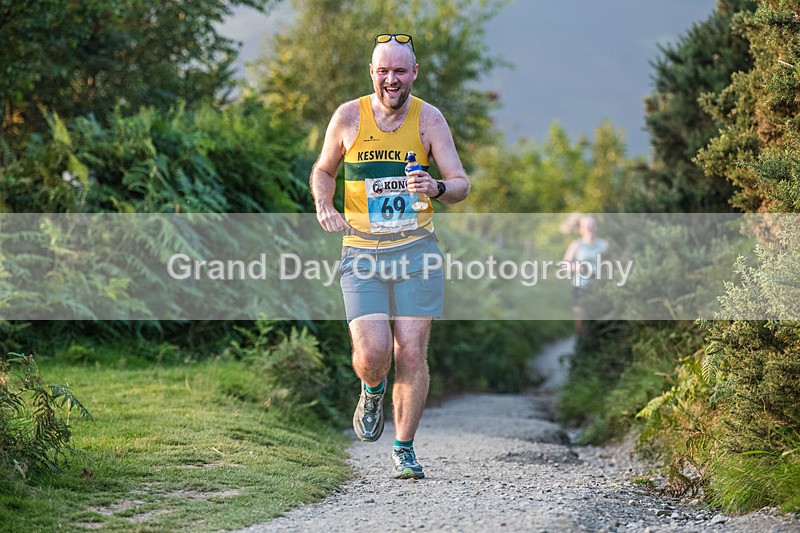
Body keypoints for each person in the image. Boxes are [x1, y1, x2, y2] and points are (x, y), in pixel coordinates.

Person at [310, 33, 470, 479]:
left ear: (414, 73)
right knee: (373, 351)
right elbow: (323, 170)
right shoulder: (347, 116)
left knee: (412, 353)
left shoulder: (429, 120)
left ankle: (404, 447)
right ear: (372, 73)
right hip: (361, 250)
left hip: (417, 249)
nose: (392, 79)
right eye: (384, 70)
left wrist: (436, 187)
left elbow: (460, 182)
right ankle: (372, 388)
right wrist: (325, 204)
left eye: (400, 70)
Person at [562, 215, 607, 334]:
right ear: (581, 229)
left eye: (592, 225)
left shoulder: (604, 245)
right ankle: (581, 343)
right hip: (580, 286)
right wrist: (578, 267)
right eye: (587, 226)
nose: (589, 228)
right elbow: (564, 266)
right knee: (580, 317)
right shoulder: (576, 245)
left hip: (599, 287)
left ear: (596, 227)